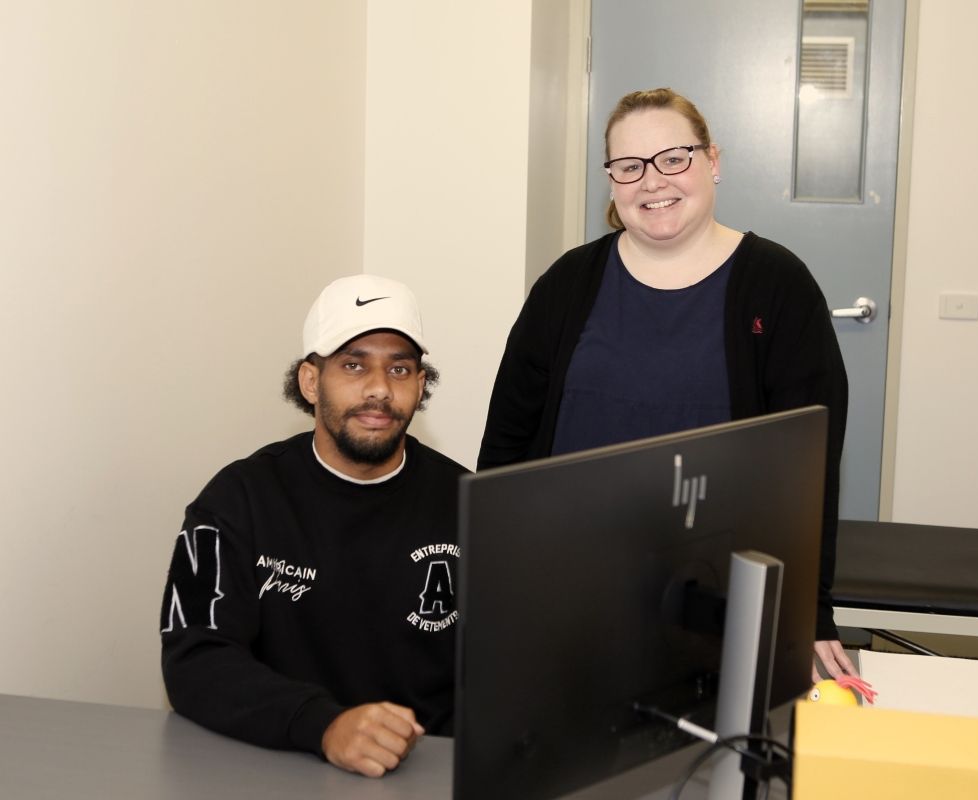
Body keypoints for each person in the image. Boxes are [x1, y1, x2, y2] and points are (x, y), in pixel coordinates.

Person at [478, 87, 856, 683]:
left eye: (673, 158)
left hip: (719, 605)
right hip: (569, 596)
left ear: (713, 161)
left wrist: (811, 610)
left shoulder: (777, 286)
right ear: (611, 183)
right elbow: (507, 443)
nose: (652, 182)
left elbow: (809, 466)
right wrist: (492, 578)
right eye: (629, 167)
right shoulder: (567, 285)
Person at [160, 274, 466, 778]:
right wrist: (324, 725)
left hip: (432, 771)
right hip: (279, 761)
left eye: (400, 368)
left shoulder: (467, 500)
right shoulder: (237, 500)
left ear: (420, 384)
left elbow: (511, 666)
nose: (379, 390)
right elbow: (194, 659)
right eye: (352, 365)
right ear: (309, 380)